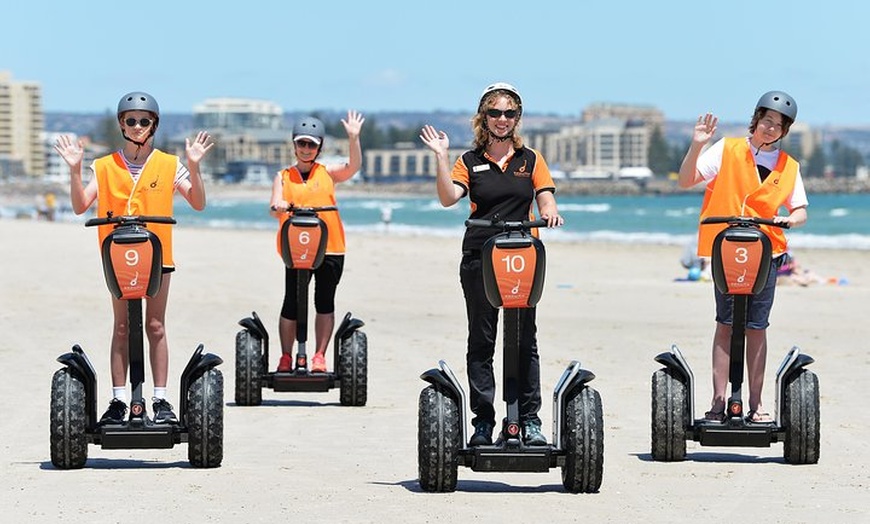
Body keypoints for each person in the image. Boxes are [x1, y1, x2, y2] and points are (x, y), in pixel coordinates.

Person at [54, 91, 214, 425]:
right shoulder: (104, 166)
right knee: (123, 326)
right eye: (131, 120)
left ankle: (160, 399)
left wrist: (195, 167)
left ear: (154, 124)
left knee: (155, 325)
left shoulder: (169, 164)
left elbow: (198, 203)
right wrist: (75, 170)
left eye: (144, 120)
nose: (138, 126)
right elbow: (81, 205)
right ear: (122, 124)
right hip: (118, 255)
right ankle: (118, 400)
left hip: (158, 256)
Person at [420, 82, 564, 446]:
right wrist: (440, 158)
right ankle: (483, 422)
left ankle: (528, 421)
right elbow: (448, 198)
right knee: (482, 339)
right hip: (480, 257)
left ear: (517, 118)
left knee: (524, 339)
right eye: (495, 112)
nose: (502, 119)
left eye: (509, 113)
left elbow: (545, 198)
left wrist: (550, 213)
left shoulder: (531, 159)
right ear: (483, 117)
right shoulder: (469, 161)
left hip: (522, 257)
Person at [677, 90, 808, 423]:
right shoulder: (728, 148)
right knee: (725, 323)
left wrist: (792, 219)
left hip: (767, 253)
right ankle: (718, 401)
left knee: (756, 327)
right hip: (727, 250)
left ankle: (756, 403)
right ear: (756, 120)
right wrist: (697, 145)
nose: (771, 128)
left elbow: (800, 209)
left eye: (779, 125)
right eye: (767, 120)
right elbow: (686, 181)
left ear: (785, 130)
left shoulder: (789, 166)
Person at [269, 111, 364, 373]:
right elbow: (274, 206)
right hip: (296, 248)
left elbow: (353, 167)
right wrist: (279, 206)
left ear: (319, 147)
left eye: (311, 144)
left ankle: (319, 356)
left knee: (324, 301)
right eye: (301, 143)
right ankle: (286, 356)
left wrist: (353, 138)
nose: (306, 149)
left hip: (330, 247)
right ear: (294, 145)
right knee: (292, 302)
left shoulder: (328, 173)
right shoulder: (283, 176)